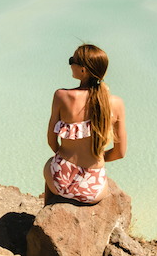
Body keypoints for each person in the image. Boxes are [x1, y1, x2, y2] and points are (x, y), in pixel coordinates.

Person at [43, 43, 126, 205]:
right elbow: (120, 153)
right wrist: (97, 157)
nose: (70, 63)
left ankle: (46, 212)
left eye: (72, 60)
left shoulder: (62, 96)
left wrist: (65, 159)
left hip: (61, 182)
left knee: (50, 163)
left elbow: (51, 141)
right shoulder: (116, 103)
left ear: (83, 70)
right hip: (93, 190)